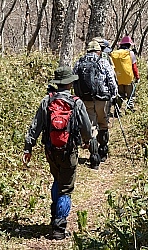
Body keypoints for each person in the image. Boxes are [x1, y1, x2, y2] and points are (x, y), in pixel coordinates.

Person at [23, 65, 96, 240]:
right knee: (66, 188)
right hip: (69, 151)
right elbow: (86, 127)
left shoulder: (46, 101)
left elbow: (35, 126)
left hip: (50, 151)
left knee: (57, 180)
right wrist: (88, 142)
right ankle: (59, 228)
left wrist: (28, 147)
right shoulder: (76, 102)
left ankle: (54, 216)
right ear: (69, 84)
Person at [73, 40, 118, 169]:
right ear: (99, 51)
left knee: (91, 128)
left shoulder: (79, 63)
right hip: (102, 99)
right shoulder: (103, 61)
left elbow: (74, 80)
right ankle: (103, 152)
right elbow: (111, 80)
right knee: (103, 124)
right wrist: (113, 96)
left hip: (85, 100)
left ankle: (94, 159)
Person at [110, 35, 139, 110]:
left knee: (120, 95)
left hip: (118, 78)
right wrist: (137, 77)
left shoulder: (114, 53)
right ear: (129, 45)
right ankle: (130, 110)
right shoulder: (130, 53)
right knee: (131, 96)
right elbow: (134, 67)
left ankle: (117, 110)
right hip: (128, 78)